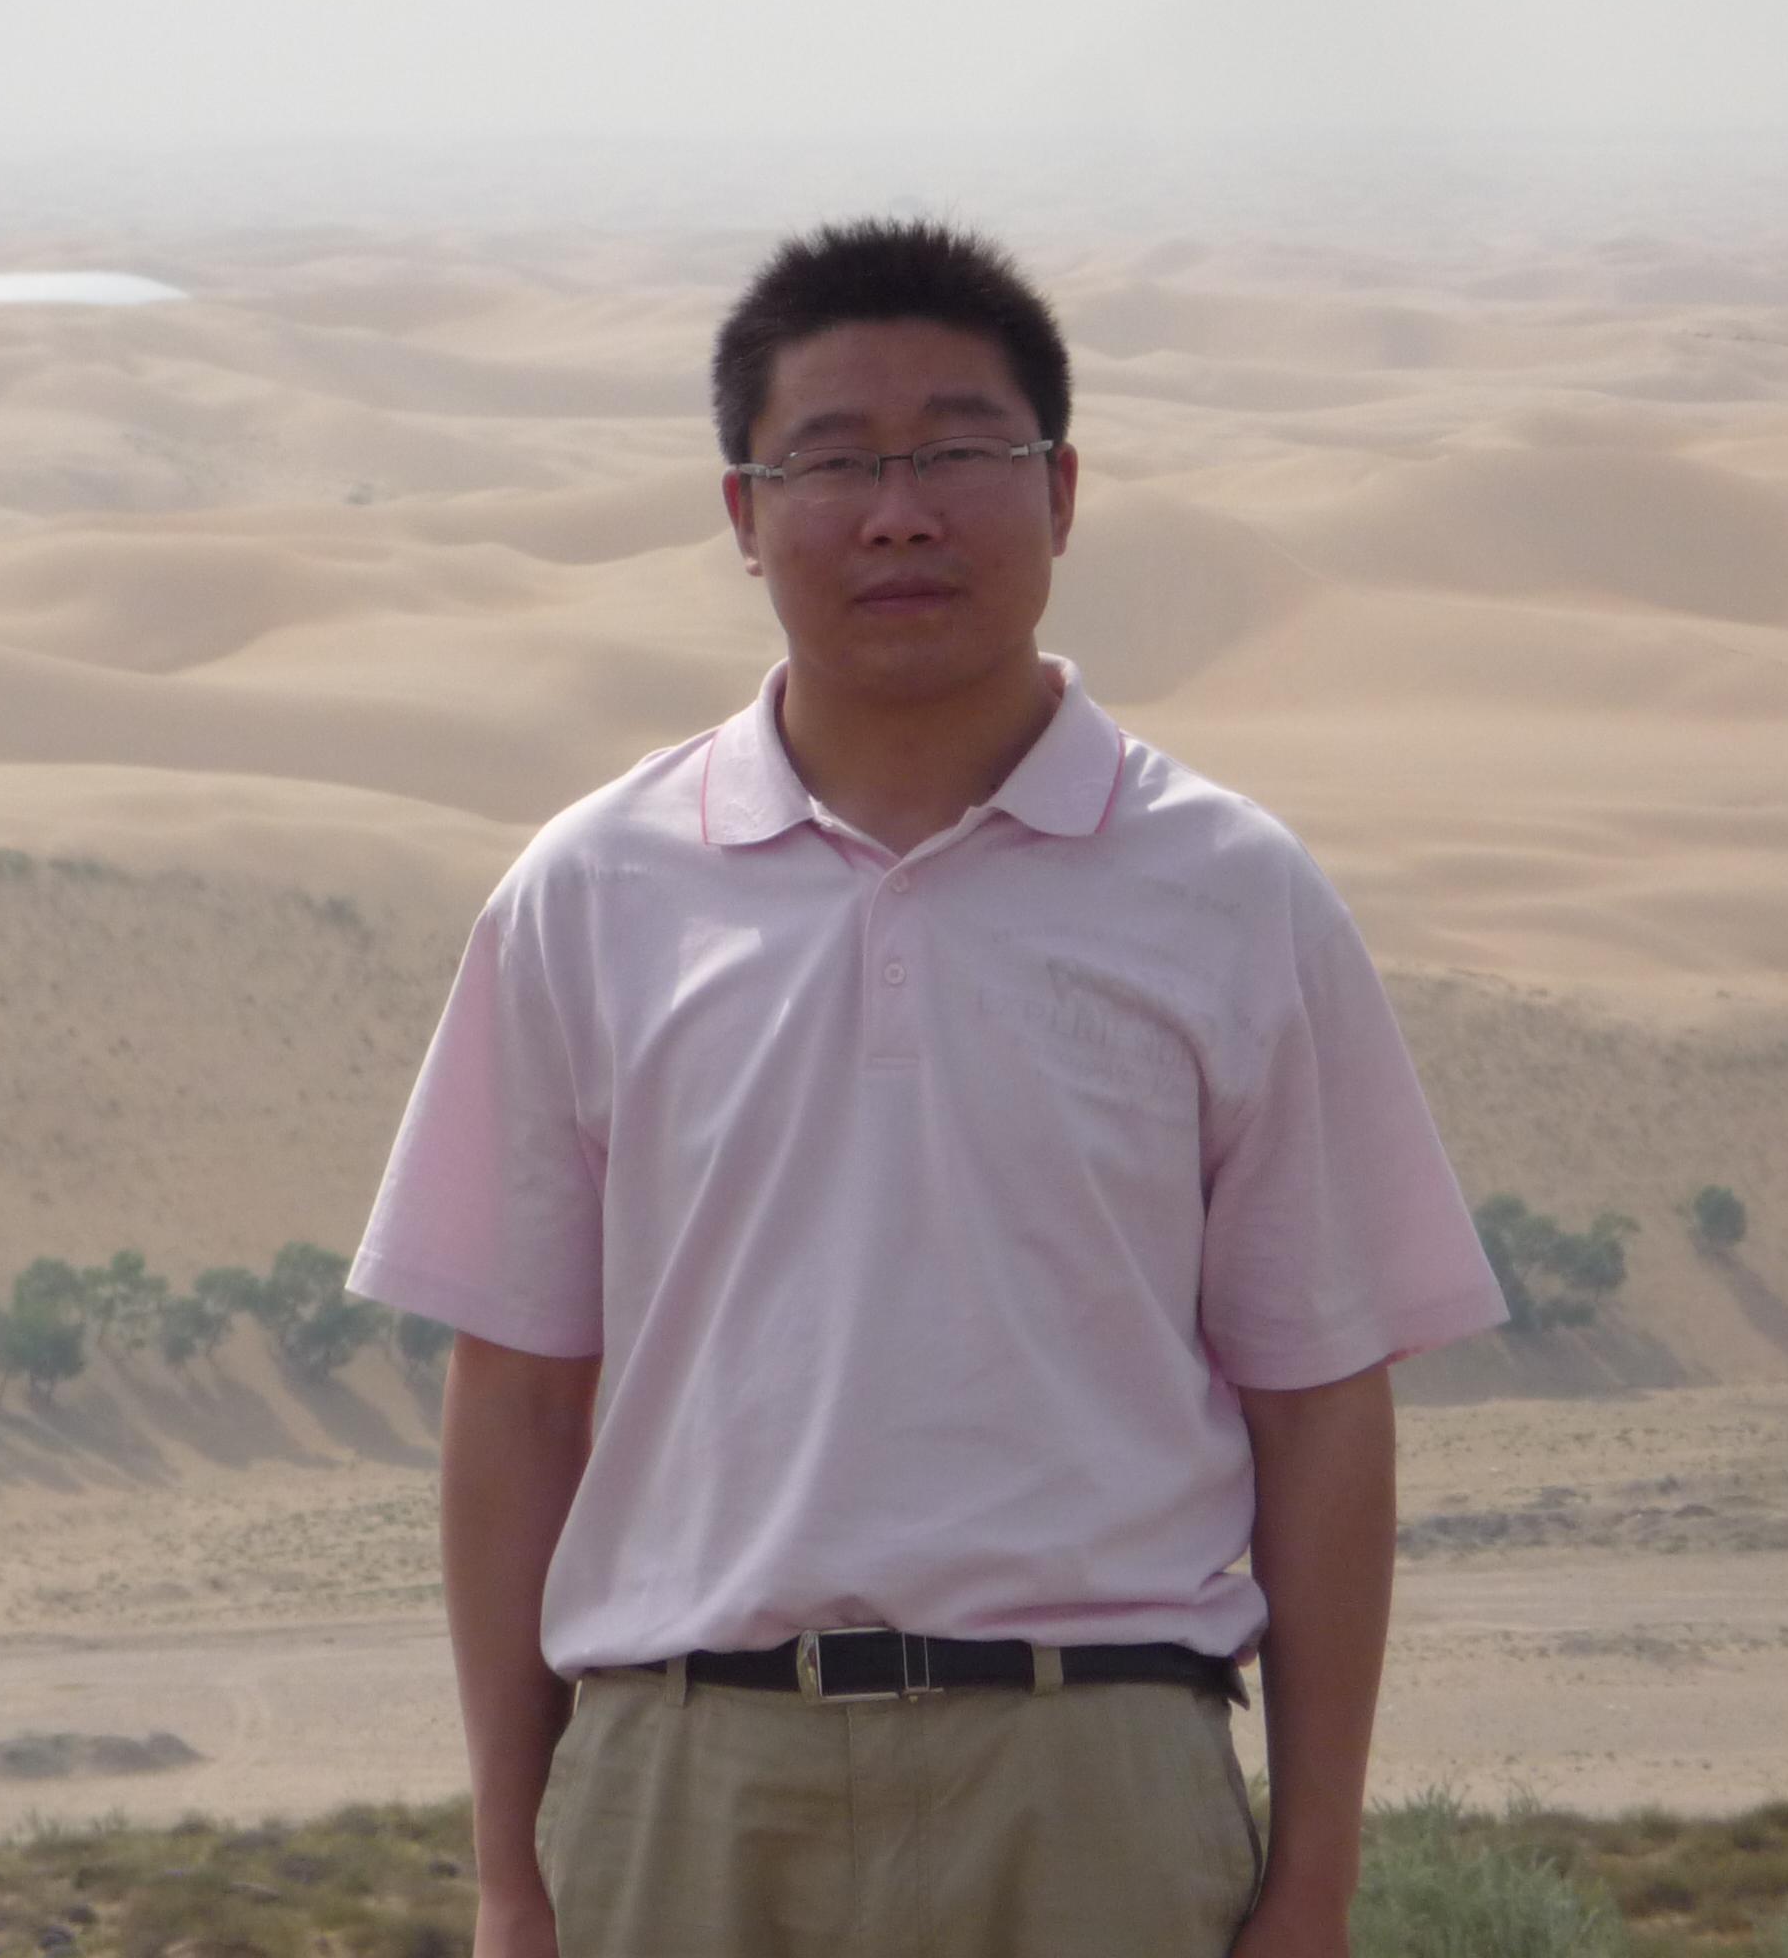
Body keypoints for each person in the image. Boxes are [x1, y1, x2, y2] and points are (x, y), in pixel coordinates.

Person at [350, 218, 1507, 1958]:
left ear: (1062, 490)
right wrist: (516, 1880)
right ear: (744, 516)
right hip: (686, 1783)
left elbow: (1322, 1406)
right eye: (832, 462)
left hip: (1093, 1781)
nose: (899, 514)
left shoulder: (1229, 892)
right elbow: (513, 1398)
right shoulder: (589, 892)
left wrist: (1316, 1880)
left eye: (960, 452)